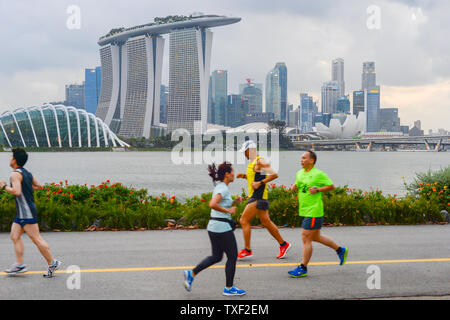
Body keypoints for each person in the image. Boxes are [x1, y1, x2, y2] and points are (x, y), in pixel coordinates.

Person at [183, 161, 246, 296]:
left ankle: (191, 273)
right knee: (232, 256)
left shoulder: (221, 187)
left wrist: (233, 202)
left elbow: (219, 202)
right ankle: (229, 288)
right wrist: (229, 210)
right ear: (227, 174)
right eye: (232, 172)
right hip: (221, 228)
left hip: (214, 227)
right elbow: (212, 204)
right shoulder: (223, 188)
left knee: (216, 256)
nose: (234, 174)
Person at [0, 148, 62, 277]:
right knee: (14, 236)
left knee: (36, 239)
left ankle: (52, 262)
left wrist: (4, 187)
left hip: (26, 211)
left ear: (15, 160)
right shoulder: (28, 173)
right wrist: (25, 187)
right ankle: (20, 264)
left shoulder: (15, 174)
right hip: (23, 212)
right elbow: (39, 186)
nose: (10, 159)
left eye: (11, 157)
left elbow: (16, 192)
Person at [288, 150, 348, 278]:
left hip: (314, 210)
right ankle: (340, 250)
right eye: (301, 158)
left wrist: (318, 189)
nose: (301, 160)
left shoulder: (318, 174)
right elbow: (298, 184)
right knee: (315, 237)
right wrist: (293, 186)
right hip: (304, 210)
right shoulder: (300, 173)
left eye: (304, 158)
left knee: (306, 237)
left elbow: (331, 186)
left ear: (312, 160)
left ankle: (303, 267)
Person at [236, 140, 291, 259]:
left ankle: (247, 250)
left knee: (244, 220)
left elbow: (274, 174)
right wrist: (244, 176)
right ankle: (283, 244)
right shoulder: (253, 163)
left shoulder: (260, 161)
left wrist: (260, 183)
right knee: (266, 222)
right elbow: (255, 179)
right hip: (258, 197)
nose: (244, 154)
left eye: (245, 152)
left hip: (258, 197)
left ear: (250, 150)